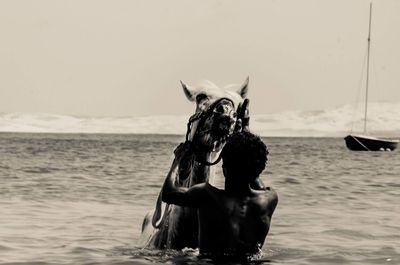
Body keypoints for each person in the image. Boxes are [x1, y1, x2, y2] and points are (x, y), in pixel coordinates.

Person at [161, 131, 278, 260]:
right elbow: (254, 176)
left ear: (224, 167)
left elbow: (168, 193)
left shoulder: (206, 195)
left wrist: (178, 159)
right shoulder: (269, 199)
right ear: (259, 168)